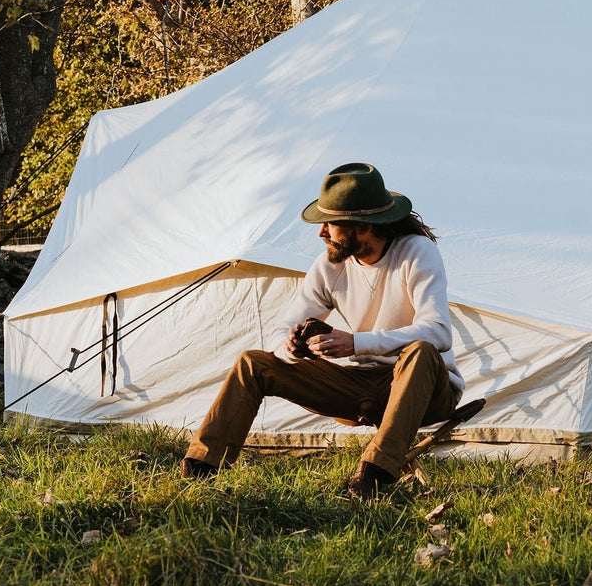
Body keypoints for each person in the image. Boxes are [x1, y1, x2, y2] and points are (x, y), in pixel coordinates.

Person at [181, 163, 462, 499]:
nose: (321, 232)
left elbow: (438, 332)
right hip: (360, 387)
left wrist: (356, 343)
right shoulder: (329, 265)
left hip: (426, 390)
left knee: (420, 351)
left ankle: (373, 477)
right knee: (253, 363)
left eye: (329, 224)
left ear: (361, 227)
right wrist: (291, 347)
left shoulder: (417, 252)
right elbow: (280, 330)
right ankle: (199, 470)